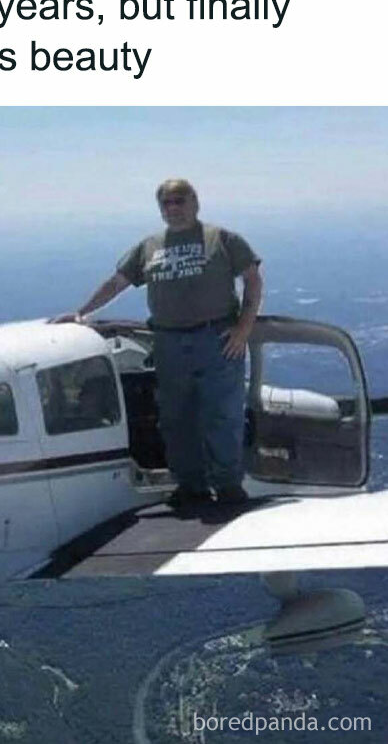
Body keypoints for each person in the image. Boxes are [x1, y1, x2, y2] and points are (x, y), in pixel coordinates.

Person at [51, 178, 262, 506]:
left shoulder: (223, 239)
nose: (173, 208)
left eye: (180, 200)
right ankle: (191, 487)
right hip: (168, 342)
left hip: (217, 340)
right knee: (176, 418)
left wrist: (243, 328)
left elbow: (252, 279)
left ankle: (229, 487)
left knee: (222, 415)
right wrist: (82, 313)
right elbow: (117, 282)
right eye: (166, 203)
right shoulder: (149, 246)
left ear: (195, 202)